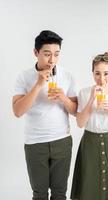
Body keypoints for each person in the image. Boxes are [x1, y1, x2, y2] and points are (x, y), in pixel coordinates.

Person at [12, 30, 77, 200]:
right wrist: (38, 84)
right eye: (47, 54)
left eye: (56, 54)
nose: (52, 60)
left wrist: (63, 97)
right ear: (36, 53)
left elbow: (76, 111)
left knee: (59, 194)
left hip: (62, 141)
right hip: (35, 144)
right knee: (39, 194)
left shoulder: (67, 75)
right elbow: (18, 111)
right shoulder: (23, 76)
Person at [71, 52, 108, 200]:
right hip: (89, 143)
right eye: (97, 73)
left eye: (106, 73)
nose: (101, 78)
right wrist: (92, 100)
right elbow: (80, 123)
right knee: (88, 183)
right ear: (92, 74)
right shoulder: (84, 93)